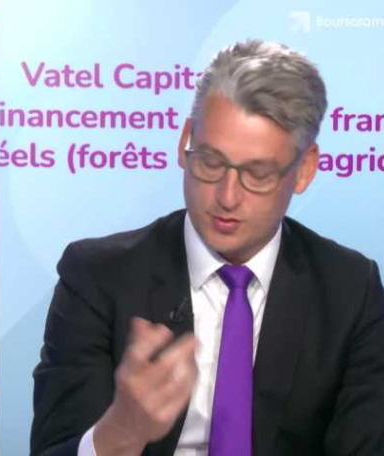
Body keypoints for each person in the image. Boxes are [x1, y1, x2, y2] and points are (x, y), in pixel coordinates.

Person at [31, 40, 384, 456]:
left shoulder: (349, 289)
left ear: (304, 169)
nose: (227, 197)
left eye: (258, 174)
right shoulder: (97, 276)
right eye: (211, 162)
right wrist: (120, 432)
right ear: (186, 140)